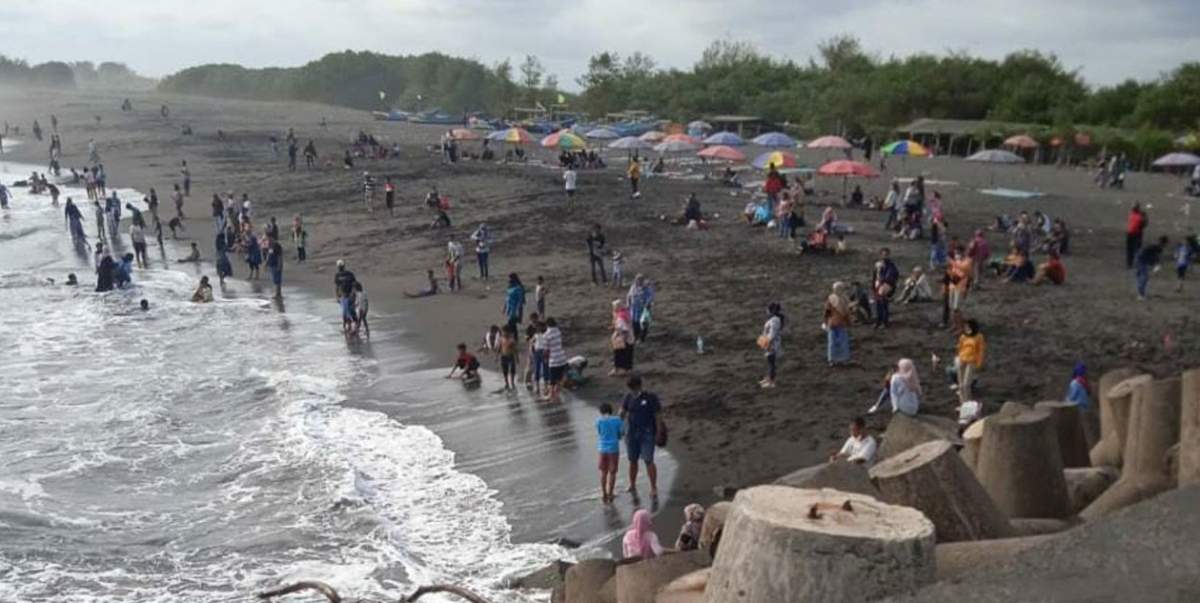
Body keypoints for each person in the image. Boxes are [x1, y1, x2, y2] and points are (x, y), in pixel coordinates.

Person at [620, 374, 663, 497]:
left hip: (647, 432)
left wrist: (658, 432)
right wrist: (619, 427)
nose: (632, 391)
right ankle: (632, 484)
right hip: (631, 433)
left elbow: (658, 416)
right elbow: (622, 412)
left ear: (639, 386)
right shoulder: (628, 397)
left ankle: (653, 488)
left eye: (634, 388)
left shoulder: (651, 397)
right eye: (630, 389)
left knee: (648, 460)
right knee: (632, 460)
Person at [596, 402, 623, 503]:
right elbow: (621, 434)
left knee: (604, 472)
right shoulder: (617, 420)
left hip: (602, 449)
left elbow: (599, 433)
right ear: (611, 411)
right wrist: (617, 436)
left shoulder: (599, 421)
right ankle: (611, 493)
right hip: (613, 449)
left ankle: (604, 493)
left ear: (601, 412)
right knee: (612, 472)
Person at [953, 320, 986, 402]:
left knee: (966, 385)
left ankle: (968, 402)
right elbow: (959, 348)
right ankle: (962, 403)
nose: (967, 329)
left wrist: (978, 363)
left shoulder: (979, 337)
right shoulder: (963, 337)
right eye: (966, 327)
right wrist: (959, 358)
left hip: (971, 362)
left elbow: (981, 351)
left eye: (968, 327)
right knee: (960, 385)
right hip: (962, 360)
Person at [824, 282, 852, 366]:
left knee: (836, 342)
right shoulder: (843, 299)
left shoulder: (834, 298)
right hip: (836, 324)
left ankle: (835, 359)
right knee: (837, 342)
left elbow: (827, 312)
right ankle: (837, 359)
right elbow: (827, 312)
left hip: (836, 323)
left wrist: (826, 321)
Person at [542, 318, 568, 402]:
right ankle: (557, 393)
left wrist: (545, 359)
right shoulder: (558, 331)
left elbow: (546, 350)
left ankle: (551, 395)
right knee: (559, 378)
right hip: (562, 357)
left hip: (554, 359)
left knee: (552, 379)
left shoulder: (546, 335)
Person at [1135, 236, 1168, 300]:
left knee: (1140, 277)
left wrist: (1155, 264)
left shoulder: (1154, 246)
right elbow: (1156, 257)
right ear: (1164, 243)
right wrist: (1157, 265)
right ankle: (1141, 295)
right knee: (1144, 277)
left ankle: (1140, 293)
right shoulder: (1158, 247)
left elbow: (1154, 257)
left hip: (1138, 259)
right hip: (1141, 261)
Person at [759, 302, 784, 388]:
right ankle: (768, 378)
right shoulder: (774, 319)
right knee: (770, 362)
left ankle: (771, 381)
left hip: (771, 345)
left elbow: (772, 333)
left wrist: (766, 341)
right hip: (770, 344)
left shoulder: (775, 320)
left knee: (771, 363)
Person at [610, 300, 635, 377]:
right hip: (630, 338)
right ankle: (627, 369)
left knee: (619, 354)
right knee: (628, 354)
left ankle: (618, 369)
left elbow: (624, 329)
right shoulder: (626, 313)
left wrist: (620, 337)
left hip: (623, 339)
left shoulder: (621, 316)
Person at [334, 260, 358, 332]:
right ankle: (347, 326)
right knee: (345, 311)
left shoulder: (350, 274)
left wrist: (353, 293)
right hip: (343, 296)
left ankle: (356, 324)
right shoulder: (337, 275)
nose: (340, 267)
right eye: (339, 266)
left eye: (341, 266)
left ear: (343, 266)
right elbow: (337, 286)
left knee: (351, 310)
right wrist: (337, 296)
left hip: (351, 294)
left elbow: (354, 284)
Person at [1126, 203, 1148, 269]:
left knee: (1130, 249)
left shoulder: (1131, 215)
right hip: (1137, 234)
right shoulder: (1140, 217)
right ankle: (1138, 263)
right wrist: (1145, 217)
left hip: (1129, 233)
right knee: (1138, 249)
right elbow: (1144, 225)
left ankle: (1129, 264)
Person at [498, 325, 518, 391]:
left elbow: (515, 349)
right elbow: (499, 348)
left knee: (512, 369)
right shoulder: (501, 339)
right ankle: (506, 382)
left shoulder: (511, 340)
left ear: (509, 332)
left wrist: (517, 357)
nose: (504, 333)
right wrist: (496, 356)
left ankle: (512, 382)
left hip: (511, 356)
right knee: (505, 370)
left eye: (505, 332)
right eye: (503, 332)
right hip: (503, 356)